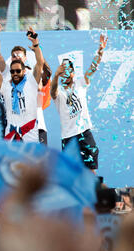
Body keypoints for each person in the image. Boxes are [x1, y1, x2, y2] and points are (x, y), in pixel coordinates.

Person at [51, 34, 108, 172]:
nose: (65, 73)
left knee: (91, 170)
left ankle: (94, 192)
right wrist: (56, 75)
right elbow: (52, 92)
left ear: (73, 72)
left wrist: (100, 52)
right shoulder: (59, 91)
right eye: (62, 71)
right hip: (68, 137)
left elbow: (92, 68)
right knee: (72, 173)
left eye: (67, 70)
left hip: (84, 132)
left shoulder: (80, 83)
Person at [0, 28, 45, 142]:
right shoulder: (6, 83)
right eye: (13, 72)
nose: (15, 73)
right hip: (11, 133)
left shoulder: (32, 80)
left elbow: (40, 63)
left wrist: (36, 44)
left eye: (18, 71)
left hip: (30, 133)